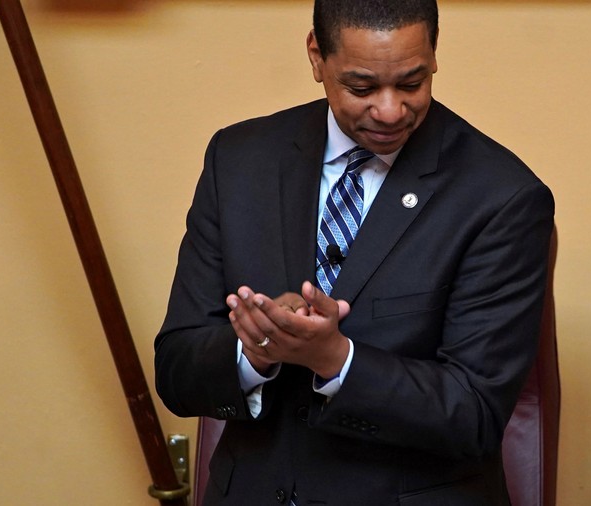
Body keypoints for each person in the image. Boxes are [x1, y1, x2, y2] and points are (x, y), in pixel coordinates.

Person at [155, 1, 554, 504]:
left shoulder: (501, 196)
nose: (390, 110)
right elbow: (175, 372)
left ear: (433, 56)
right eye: (362, 87)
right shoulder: (237, 160)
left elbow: (474, 416)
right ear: (317, 56)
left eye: (412, 83)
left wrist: (336, 358)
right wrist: (254, 351)